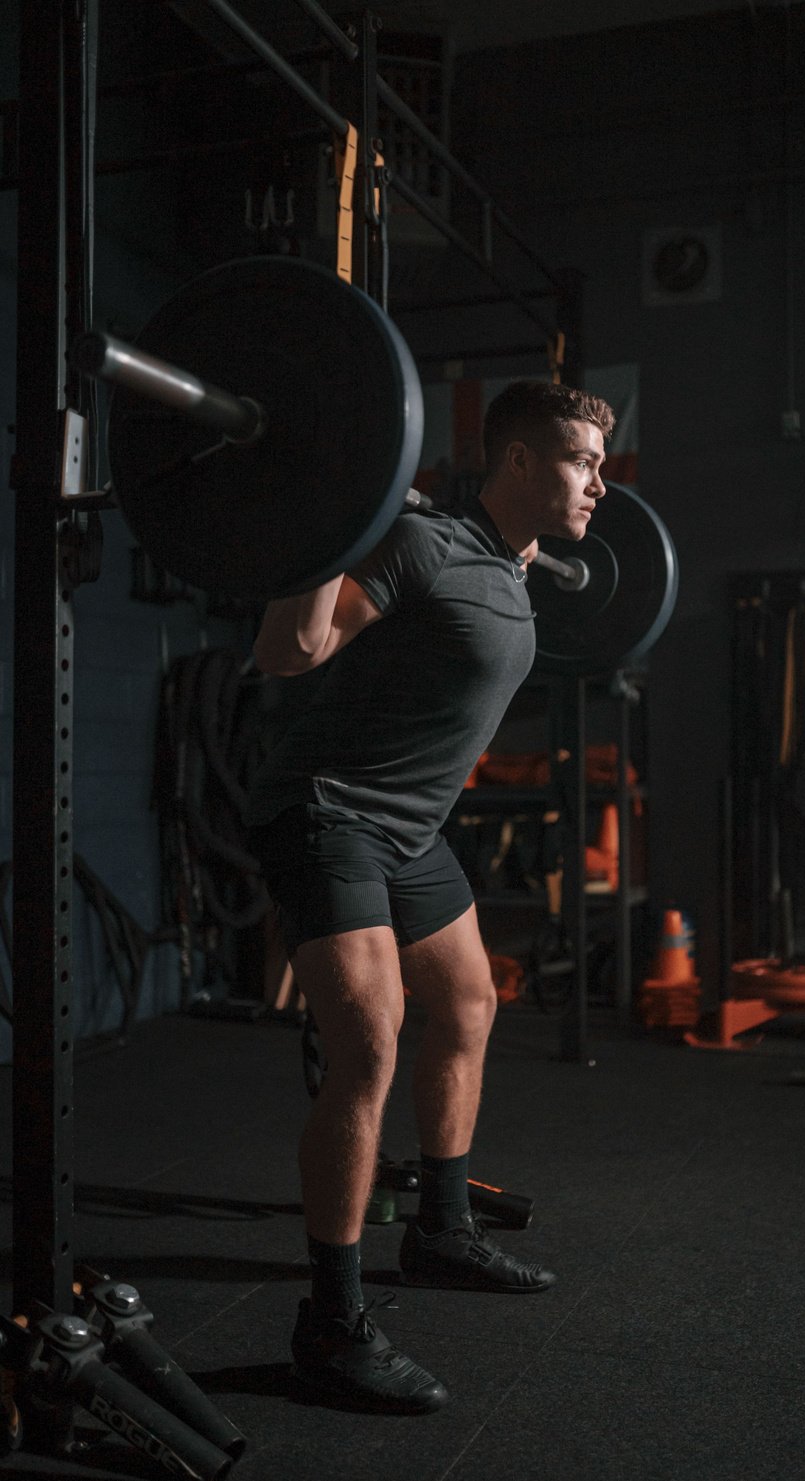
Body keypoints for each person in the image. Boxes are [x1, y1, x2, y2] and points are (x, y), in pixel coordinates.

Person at [247, 379, 614, 1414]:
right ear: (517, 463)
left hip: (408, 828)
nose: (598, 480)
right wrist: (327, 524)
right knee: (371, 1041)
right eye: (582, 460)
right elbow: (294, 651)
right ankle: (330, 1323)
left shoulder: (513, 560)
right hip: (327, 811)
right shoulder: (421, 546)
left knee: (469, 1003)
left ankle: (441, 1228)